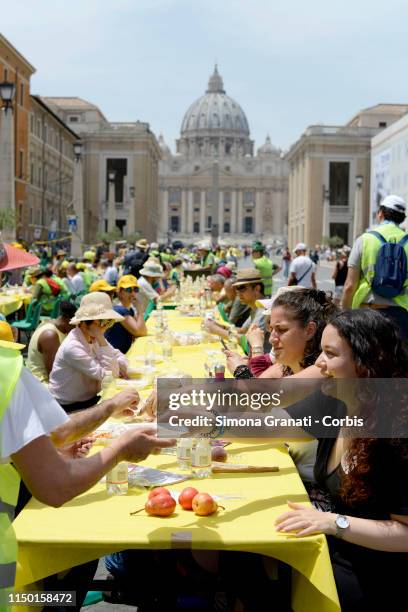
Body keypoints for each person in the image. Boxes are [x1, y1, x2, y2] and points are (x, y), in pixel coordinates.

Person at [0, 241, 175, 610]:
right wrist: (120, 448)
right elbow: (57, 486)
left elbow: (57, 434)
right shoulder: (6, 371)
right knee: (59, 586)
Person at [275, 309, 408, 611]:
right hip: (335, 548)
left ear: (366, 365)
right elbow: (270, 425)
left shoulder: (396, 431)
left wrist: (334, 522)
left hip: (377, 578)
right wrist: (188, 423)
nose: (319, 364)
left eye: (330, 354)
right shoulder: (336, 398)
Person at [341, 194, 408, 341]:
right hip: (401, 315)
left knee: (366, 361)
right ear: (402, 217)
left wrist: (343, 313)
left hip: (368, 313)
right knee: (399, 362)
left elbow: (349, 285)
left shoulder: (365, 240)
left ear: (381, 213)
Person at [48, 292, 128, 412]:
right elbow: (109, 376)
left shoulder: (93, 337)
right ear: (85, 323)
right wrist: (101, 338)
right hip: (70, 408)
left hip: (92, 398)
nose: (106, 327)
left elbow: (121, 358)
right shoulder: (73, 347)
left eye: (110, 322)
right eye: (103, 322)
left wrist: (116, 366)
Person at [204, 269, 271, 353]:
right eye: (236, 288)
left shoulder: (263, 310)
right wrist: (220, 326)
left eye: (242, 288)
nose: (238, 293)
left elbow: (247, 341)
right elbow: (242, 330)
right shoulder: (256, 307)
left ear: (257, 289)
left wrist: (217, 330)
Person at [26, 300, 77, 383]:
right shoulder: (50, 335)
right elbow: (54, 375)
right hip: (40, 384)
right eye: (77, 324)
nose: (78, 328)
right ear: (67, 319)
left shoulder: (61, 329)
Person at [105, 275, 147, 353]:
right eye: (128, 289)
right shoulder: (119, 310)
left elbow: (140, 331)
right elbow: (140, 332)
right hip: (116, 357)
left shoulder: (129, 309)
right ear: (119, 292)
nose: (133, 293)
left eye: (135, 289)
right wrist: (140, 311)